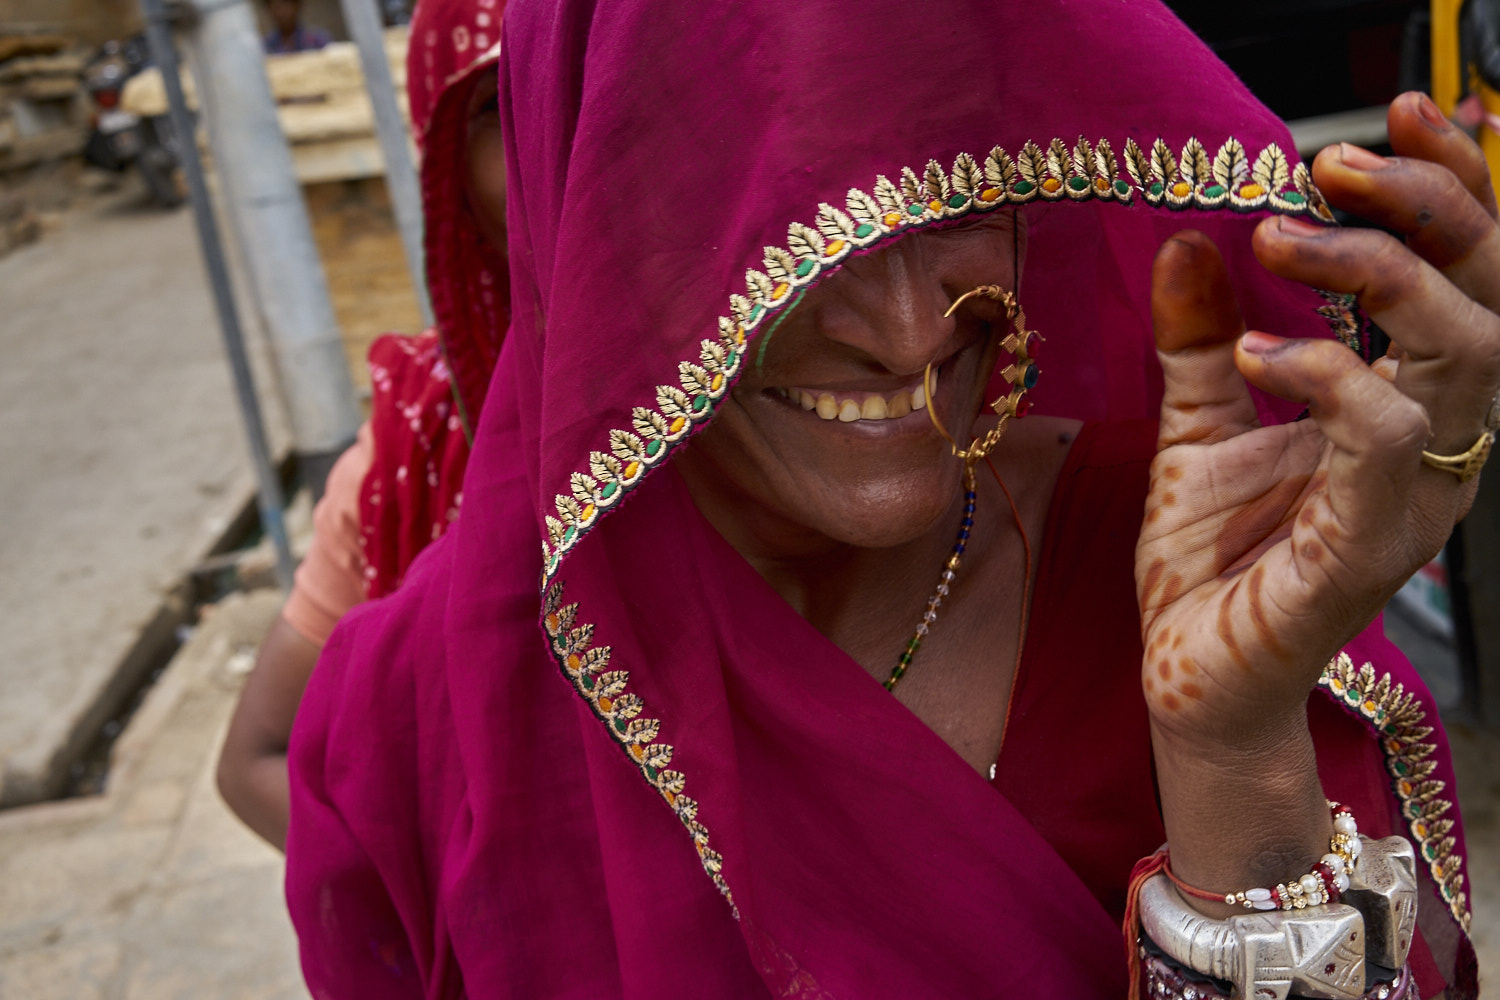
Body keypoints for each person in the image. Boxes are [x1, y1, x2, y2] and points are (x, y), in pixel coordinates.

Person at [285, 0, 1493, 996]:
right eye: (769, 223)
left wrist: (1230, 751)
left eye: (947, 184)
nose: (914, 331)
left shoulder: (1194, 565)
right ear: (591, 216)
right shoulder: (412, 721)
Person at [217, 0, 508, 851]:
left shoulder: (813, 405)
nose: (563, 130)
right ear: (447, 163)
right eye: (498, 106)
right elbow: (255, 762)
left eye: (596, 84)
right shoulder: (418, 450)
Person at [263, 0, 332, 54]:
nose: (280, 12)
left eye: (285, 3)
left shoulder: (317, 41)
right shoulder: (266, 46)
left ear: (296, 5)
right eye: (275, 6)